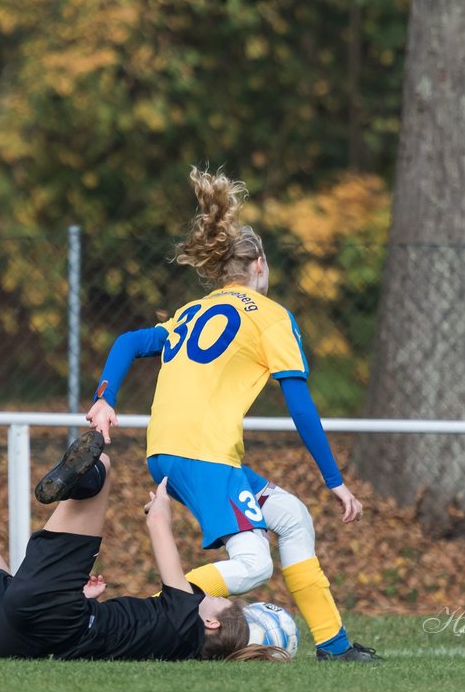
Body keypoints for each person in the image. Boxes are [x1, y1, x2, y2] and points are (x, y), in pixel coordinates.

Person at [85, 167, 380, 662]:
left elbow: (129, 341)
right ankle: (153, 617)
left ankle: (335, 645)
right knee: (253, 563)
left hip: (172, 451)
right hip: (204, 454)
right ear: (259, 264)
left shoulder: (190, 311)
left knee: (289, 517)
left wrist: (105, 397)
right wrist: (335, 479)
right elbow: (301, 404)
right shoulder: (271, 315)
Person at [0, 432, 291, 662]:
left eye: (218, 600)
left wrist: (161, 503)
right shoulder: (181, 649)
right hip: (17, 639)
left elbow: (163, 540)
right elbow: (118, 635)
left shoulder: (185, 615)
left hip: (53, 615)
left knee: (102, 461)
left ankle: (80, 479)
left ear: (210, 620)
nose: (209, 592)